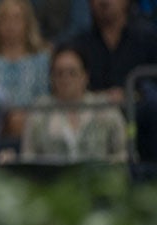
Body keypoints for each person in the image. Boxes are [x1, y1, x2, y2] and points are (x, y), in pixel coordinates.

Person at [67, 0, 157, 160]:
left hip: (141, 118)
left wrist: (133, 95)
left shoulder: (149, 39)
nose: (104, 1)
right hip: (92, 119)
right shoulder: (78, 44)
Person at [22, 47, 128, 162]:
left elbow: (122, 154)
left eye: (72, 73)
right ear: (51, 78)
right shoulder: (40, 111)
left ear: (85, 76)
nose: (65, 79)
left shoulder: (105, 109)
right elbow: (28, 157)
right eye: (59, 73)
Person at [0, 0, 50, 106]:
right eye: (5, 19)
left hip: (33, 120)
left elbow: (44, 100)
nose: (11, 25)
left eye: (17, 19)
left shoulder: (41, 61)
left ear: (27, 24)